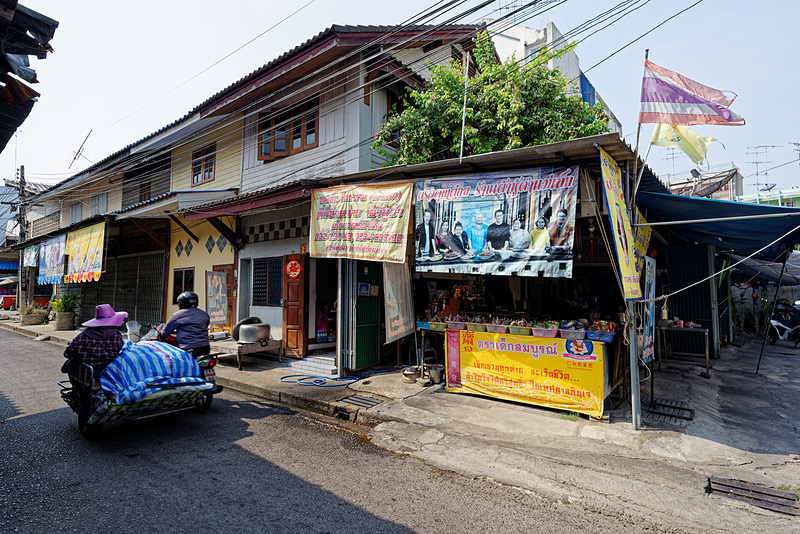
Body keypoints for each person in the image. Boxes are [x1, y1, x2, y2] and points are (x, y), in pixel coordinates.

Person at [61, 304, 128, 378]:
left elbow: (67, 354)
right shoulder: (117, 336)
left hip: (84, 374)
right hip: (108, 374)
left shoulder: (82, 337)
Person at [159, 291, 211, 357]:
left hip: (188, 349)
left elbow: (165, 332)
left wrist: (158, 339)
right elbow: (205, 326)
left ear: (182, 303)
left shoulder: (177, 315)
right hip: (205, 348)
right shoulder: (204, 314)